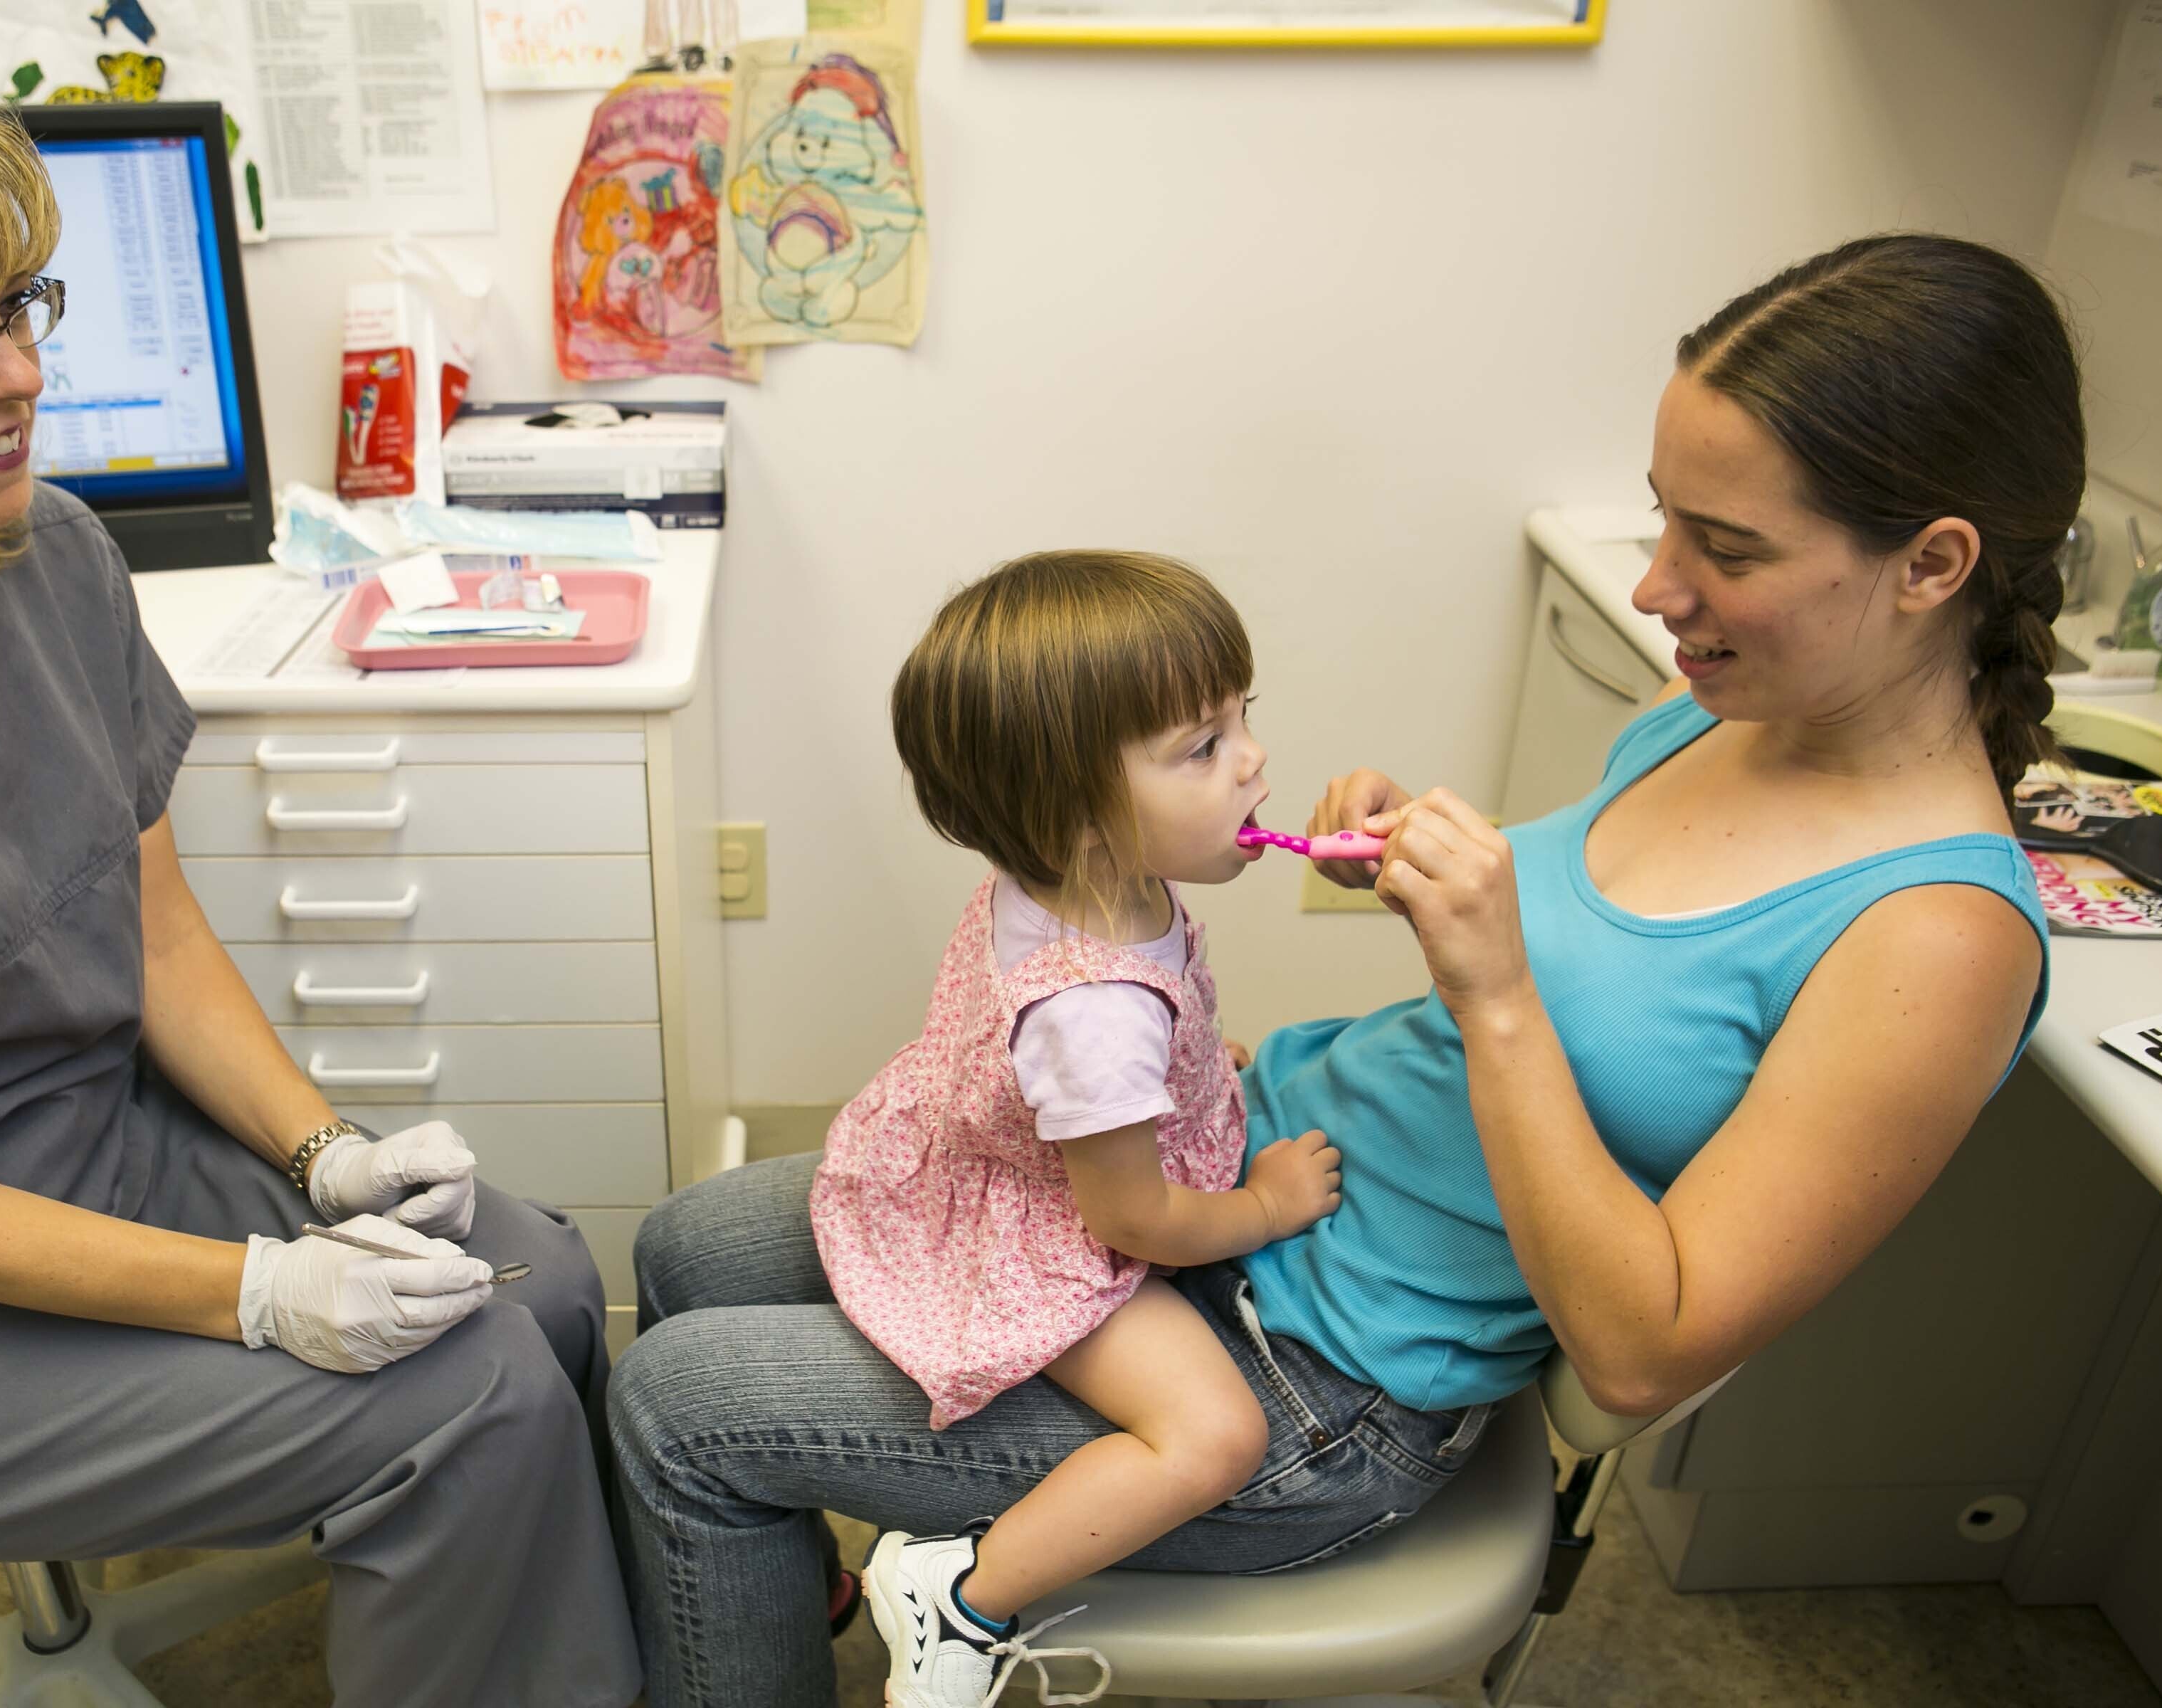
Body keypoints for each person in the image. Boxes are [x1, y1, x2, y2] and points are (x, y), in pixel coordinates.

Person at [608, 229, 2069, 1708]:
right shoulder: (1723, 721)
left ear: (1932, 565)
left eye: (1729, 550)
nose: (1658, 593)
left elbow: (1640, 1357)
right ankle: (777, 1595)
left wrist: (1493, 990)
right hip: (1237, 1176)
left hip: (1316, 1386)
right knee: (691, 1250)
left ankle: (798, 1584)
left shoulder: (1940, 942)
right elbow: (1610, 971)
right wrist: (1420, 875)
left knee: (678, 1411)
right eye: (1663, 524)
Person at [0, 11, 640, 1705]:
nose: (14, 374)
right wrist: (259, 1294)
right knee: (461, 1405)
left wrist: (321, 1162)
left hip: (88, 1149)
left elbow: (153, 928)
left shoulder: (44, 557)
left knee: (537, 1283)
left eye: (16, 306)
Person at [807, 553, 1344, 1705]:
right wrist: (1266, 1205)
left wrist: (1189, 1065)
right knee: (1214, 1438)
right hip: (1048, 1235)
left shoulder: (1078, 876)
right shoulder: (1093, 1012)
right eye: (1201, 748)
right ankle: (962, 1595)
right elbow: (1132, 1214)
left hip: (1020, 1149)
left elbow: (1117, 1047)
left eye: (1242, 719)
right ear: (1077, 816)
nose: (1252, 759)